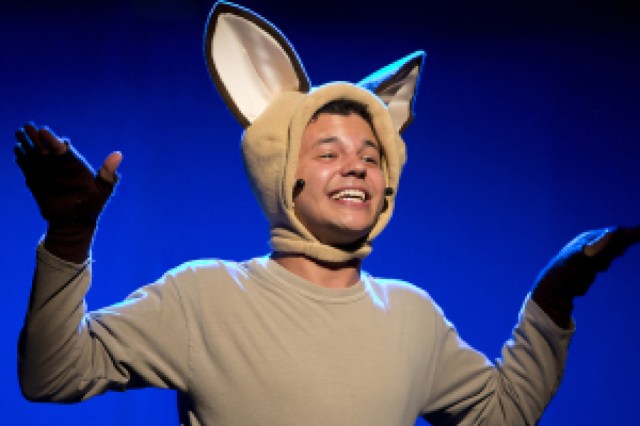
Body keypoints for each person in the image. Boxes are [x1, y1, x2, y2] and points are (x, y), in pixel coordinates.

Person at [14, 2, 640, 425]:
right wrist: (69, 237)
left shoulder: (413, 316)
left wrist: (554, 297)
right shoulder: (203, 297)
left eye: (371, 155)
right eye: (329, 152)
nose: (358, 167)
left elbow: (503, 413)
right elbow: (52, 375)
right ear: (281, 173)